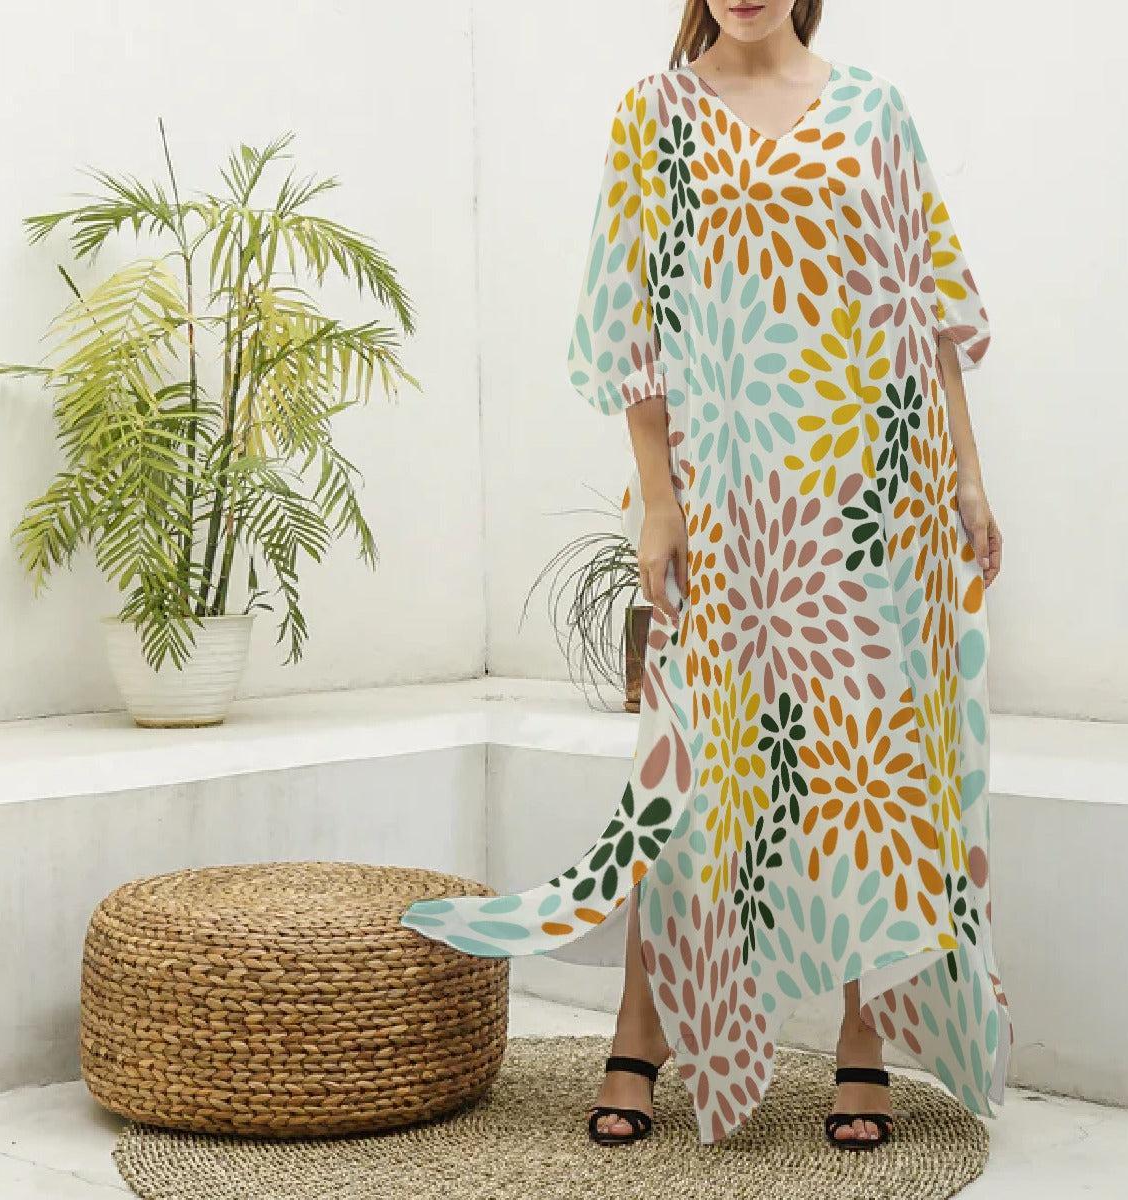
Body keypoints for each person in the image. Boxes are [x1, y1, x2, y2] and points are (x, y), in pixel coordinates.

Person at [401, 0, 1013, 1151]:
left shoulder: (874, 111)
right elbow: (631, 324)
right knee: (690, 771)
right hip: (732, 494)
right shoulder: (656, 116)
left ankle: (864, 1039)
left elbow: (931, 304)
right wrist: (660, 500)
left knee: (867, 758)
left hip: (875, 491)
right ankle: (641, 1031)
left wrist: (969, 480)